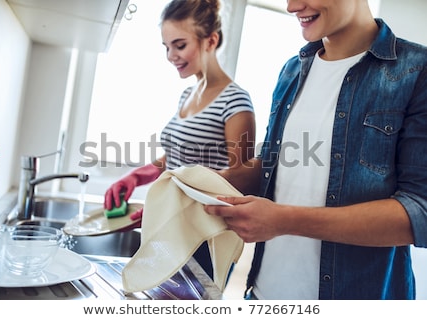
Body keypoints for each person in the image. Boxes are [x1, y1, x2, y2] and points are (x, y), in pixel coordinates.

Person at [204, 0, 427, 299]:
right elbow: (274, 164)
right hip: (262, 296)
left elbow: (419, 211)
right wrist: (211, 183)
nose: (292, 6)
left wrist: (283, 221)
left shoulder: (416, 71)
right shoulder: (292, 70)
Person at [104, 0, 256, 281]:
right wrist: (136, 177)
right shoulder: (187, 95)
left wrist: (171, 205)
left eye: (179, 45)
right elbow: (177, 158)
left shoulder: (235, 101)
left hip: (202, 239)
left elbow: (239, 180)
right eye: (166, 47)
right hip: (172, 232)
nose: (171, 55)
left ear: (211, 40)